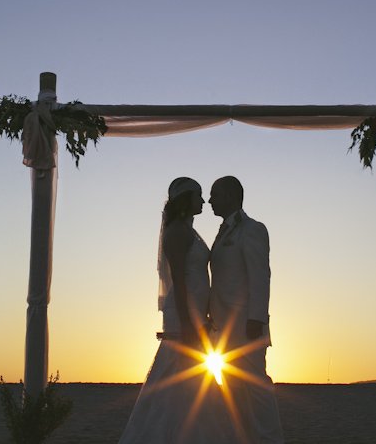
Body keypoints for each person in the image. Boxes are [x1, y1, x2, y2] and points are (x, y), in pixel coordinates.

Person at [119, 177, 231, 444]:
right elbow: (179, 281)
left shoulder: (187, 230)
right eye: (198, 196)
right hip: (183, 312)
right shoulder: (178, 232)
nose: (203, 201)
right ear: (186, 199)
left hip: (192, 311)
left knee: (190, 378)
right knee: (179, 374)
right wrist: (189, 322)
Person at [208, 176, 284, 444]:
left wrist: (256, 318)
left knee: (256, 385)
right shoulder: (223, 231)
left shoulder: (252, 229)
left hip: (245, 323)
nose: (209, 200)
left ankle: (270, 438)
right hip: (224, 327)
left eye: (214, 194)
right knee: (232, 386)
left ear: (230, 195)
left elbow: (260, 275)